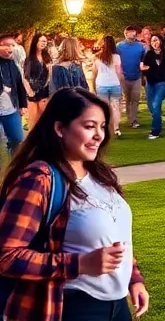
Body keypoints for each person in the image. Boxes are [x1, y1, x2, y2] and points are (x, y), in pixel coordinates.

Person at [0, 87, 150, 320]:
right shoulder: (39, 179)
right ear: (60, 128)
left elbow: (115, 237)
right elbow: (6, 256)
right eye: (89, 126)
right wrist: (79, 264)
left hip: (117, 306)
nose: (99, 135)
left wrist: (134, 279)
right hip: (71, 306)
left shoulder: (100, 173)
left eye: (102, 126)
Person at [0, 34, 30, 157]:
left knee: (17, 140)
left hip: (10, 109)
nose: (11, 48)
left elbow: (19, 84)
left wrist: (23, 104)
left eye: (13, 45)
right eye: (7, 45)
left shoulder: (12, 64)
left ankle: (14, 166)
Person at [138, 35, 165, 140]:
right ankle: (158, 121)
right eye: (152, 41)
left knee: (156, 104)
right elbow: (143, 66)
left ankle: (155, 131)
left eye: (156, 40)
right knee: (151, 106)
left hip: (162, 83)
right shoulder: (149, 54)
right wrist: (143, 68)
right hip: (150, 82)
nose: (154, 42)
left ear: (161, 41)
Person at [90, 36, 124, 139]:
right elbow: (119, 73)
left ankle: (104, 128)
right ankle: (116, 128)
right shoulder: (116, 57)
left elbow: (94, 73)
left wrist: (93, 86)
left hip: (101, 84)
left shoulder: (97, 57)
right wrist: (121, 84)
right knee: (115, 107)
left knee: (104, 108)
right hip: (115, 84)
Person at [115, 28, 144, 132]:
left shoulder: (140, 46)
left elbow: (143, 60)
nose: (133, 34)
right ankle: (129, 118)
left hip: (136, 76)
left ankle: (134, 120)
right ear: (126, 33)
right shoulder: (119, 46)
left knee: (135, 99)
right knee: (127, 99)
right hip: (124, 77)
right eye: (130, 32)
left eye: (134, 32)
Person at [25, 33, 53, 131]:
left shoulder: (47, 57)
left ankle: (44, 141)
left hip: (45, 92)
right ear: (35, 42)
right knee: (33, 120)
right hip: (32, 92)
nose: (43, 43)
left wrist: (50, 69)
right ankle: (32, 143)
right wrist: (29, 92)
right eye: (41, 41)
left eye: (45, 41)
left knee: (45, 119)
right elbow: (25, 77)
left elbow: (50, 76)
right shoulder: (29, 59)